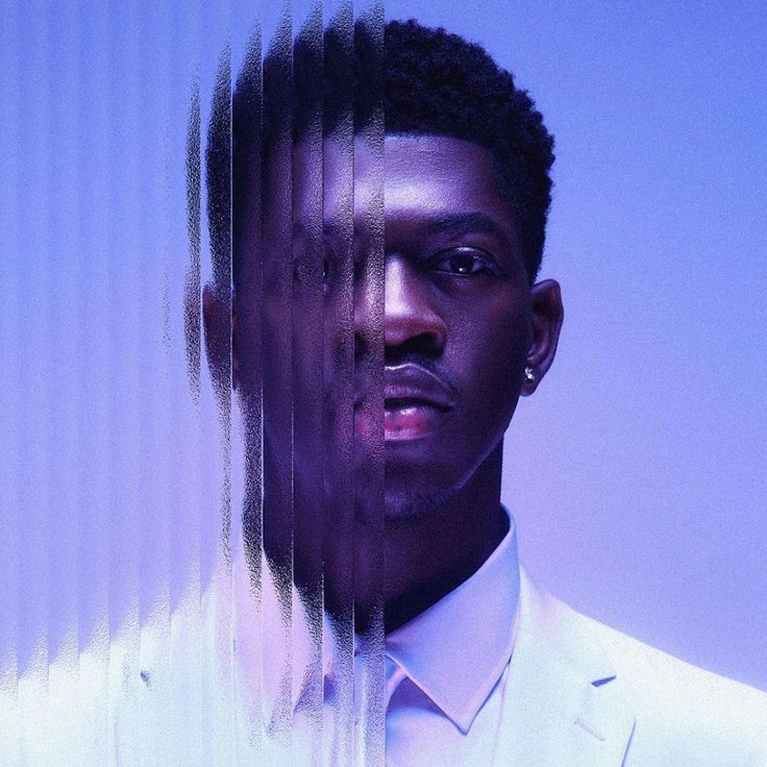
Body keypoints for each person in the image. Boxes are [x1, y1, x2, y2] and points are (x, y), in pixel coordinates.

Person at [193, 15, 767, 766]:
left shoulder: (732, 745)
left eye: (461, 262)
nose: (393, 317)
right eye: (321, 268)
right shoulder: (57, 735)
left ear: (537, 334)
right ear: (228, 343)